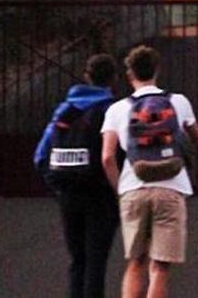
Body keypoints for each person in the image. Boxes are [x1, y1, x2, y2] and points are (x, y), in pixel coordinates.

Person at [101, 45, 198, 298]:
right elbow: (196, 136)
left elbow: (107, 157)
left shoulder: (117, 109)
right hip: (171, 188)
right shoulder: (178, 101)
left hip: (133, 188)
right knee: (160, 267)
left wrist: (120, 190)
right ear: (157, 70)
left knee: (136, 262)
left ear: (129, 74)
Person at [33, 54, 120, 298]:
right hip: (100, 195)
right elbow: (118, 154)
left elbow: (40, 155)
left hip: (68, 192)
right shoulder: (112, 110)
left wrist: (56, 187)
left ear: (86, 76)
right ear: (113, 79)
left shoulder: (65, 110)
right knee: (96, 262)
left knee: (77, 260)